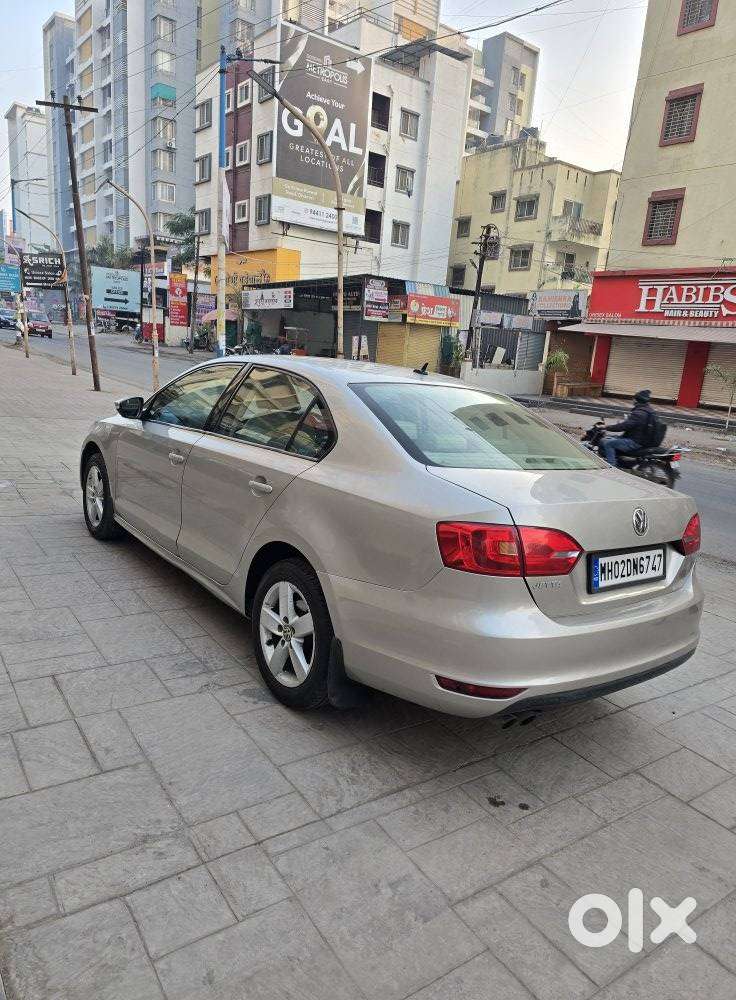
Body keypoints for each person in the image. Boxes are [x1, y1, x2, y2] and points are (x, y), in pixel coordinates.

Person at [599, 389, 657, 467]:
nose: (632, 400)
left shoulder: (639, 413)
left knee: (609, 444)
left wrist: (607, 427)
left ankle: (611, 466)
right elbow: (635, 425)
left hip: (635, 441)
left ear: (637, 400)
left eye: (634, 398)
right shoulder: (648, 411)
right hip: (642, 439)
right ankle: (619, 460)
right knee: (612, 437)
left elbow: (624, 426)